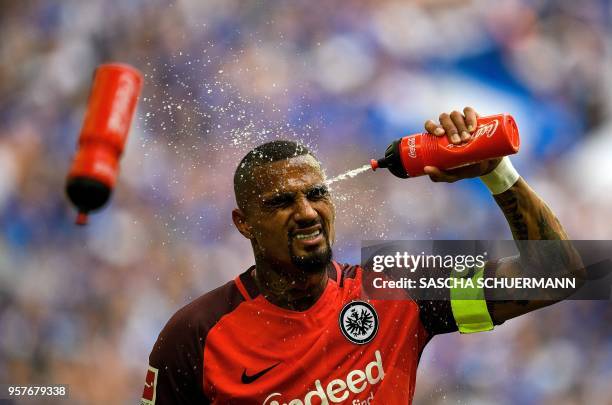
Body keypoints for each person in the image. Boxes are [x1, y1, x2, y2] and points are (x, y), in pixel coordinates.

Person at [140, 107, 583, 405]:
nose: (307, 211)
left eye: (317, 194)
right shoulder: (195, 334)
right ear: (244, 223)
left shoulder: (395, 288)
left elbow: (557, 275)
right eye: (281, 202)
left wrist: (497, 173)